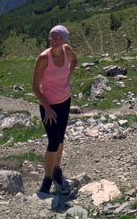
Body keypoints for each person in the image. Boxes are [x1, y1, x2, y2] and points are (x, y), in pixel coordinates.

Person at [32, 24, 77, 194]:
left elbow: (75, 61)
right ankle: (47, 178)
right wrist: (48, 108)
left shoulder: (67, 50)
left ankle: (57, 170)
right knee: (52, 141)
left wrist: (67, 75)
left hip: (65, 101)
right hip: (48, 105)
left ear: (64, 39)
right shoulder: (44, 58)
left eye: (58, 37)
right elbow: (35, 87)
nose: (55, 40)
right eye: (52, 37)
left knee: (60, 138)